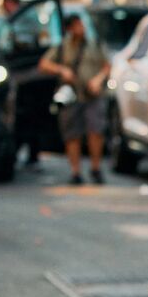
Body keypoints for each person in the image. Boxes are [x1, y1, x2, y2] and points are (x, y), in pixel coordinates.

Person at [38, 14, 110, 185]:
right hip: (71, 95)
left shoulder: (94, 44)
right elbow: (43, 64)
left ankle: (95, 167)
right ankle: (75, 171)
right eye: (77, 25)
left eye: (82, 24)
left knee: (96, 130)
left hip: (92, 94)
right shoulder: (63, 47)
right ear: (69, 29)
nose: (81, 28)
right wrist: (61, 70)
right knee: (72, 134)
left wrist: (98, 80)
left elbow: (107, 65)